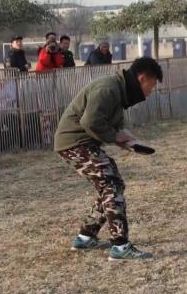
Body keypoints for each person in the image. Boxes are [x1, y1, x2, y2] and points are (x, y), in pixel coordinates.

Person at [54, 57, 163, 260]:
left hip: (82, 143)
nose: (150, 92)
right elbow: (90, 121)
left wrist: (126, 139)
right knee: (112, 185)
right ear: (142, 78)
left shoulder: (119, 92)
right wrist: (114, 137)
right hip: (74, 144)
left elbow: (112, 125)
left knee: (112, 185)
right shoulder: (108, 88)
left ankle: (86, 237)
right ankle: (120, 246)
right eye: (152, 85)